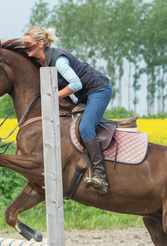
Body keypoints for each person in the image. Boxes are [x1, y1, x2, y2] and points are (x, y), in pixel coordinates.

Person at [24, 26, 113, 194]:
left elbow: (76, 84)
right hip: (85, 95)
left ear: (41, 43)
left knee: (86, 128)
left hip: (99, 89)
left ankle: (100, 176)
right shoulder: (42, 61)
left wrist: (52, 96)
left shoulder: (59, 60)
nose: (25, 47)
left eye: (28, 44)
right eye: (24, 44)